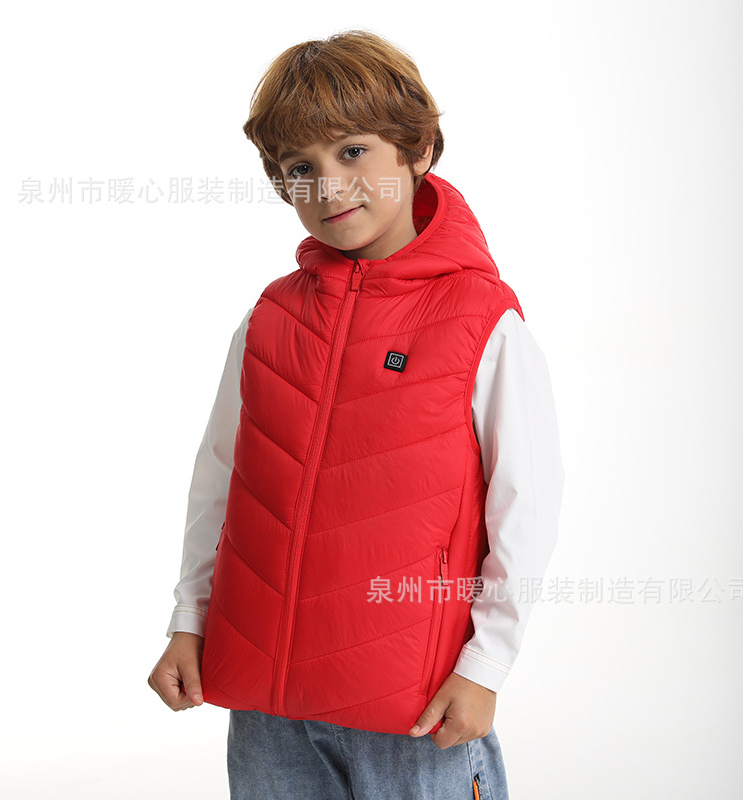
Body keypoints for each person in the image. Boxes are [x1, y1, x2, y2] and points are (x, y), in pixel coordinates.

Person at [148, 29, 565, 800]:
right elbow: (221, 479)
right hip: (268, 710)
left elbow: (526, 505)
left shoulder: (483, 322)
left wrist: (486, 666)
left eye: (352, 152)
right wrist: (189, 620)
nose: (328, 186)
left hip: (415, 715)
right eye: (299, 168)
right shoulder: (271, 319)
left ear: (417, 150)